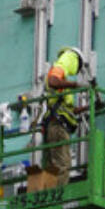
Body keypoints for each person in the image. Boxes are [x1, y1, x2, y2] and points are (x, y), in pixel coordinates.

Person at [39, 44, 86, 186]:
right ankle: (57, 197)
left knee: (52, 165)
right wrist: (76, 85)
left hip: (53, 125)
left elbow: (67, 110)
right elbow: (53, 81)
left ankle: (48, 196)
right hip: (58, 127)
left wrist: (86, 108)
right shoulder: (62, 67)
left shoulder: (62, 82)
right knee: (62, 164)